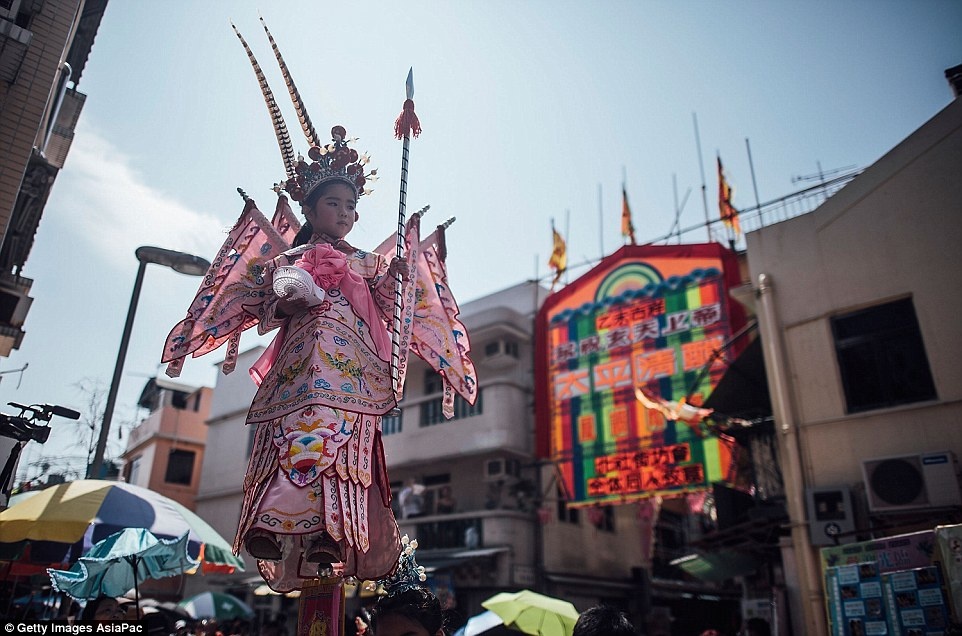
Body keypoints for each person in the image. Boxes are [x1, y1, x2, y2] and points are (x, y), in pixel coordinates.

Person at [235, 150, 410, 590]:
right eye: (334, 203)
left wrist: (397, 279)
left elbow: (389, 308)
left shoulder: (368, 263)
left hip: (351, 375)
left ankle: (330, 537)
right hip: (297, 374)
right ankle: (267, 525)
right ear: (310, 210)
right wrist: (288, 299)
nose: (345, 213)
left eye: (351, 206)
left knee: (343, 451)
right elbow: (266, 309)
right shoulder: (287, 261)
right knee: (290, 443)